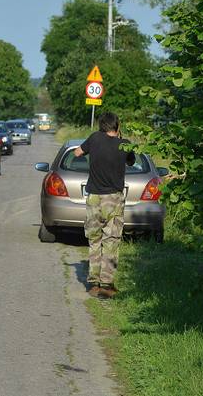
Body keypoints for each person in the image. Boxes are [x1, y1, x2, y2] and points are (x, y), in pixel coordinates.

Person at [72, 112, 136, 299]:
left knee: (94, 241)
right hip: (114, 199)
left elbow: (77, 152)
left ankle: (93, 283)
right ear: (117, 125)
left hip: (94, 199)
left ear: (102, 126)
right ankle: (107, 285)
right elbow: (131, 161)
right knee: (111, 241)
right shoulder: (124, 144)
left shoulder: (94, 139)